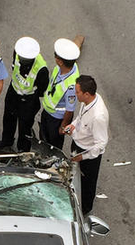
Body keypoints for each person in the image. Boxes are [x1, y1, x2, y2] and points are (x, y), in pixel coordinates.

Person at [0, 37, 49, 152]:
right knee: (8, 118)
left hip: (29, 100)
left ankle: (23, 149)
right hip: (13, 92)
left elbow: (42, 88)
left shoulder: (41, 69)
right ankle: (6, 141)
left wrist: (27, 94)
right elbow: (14, 67)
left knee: (25, 126)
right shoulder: (18, 52)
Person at [64, 75, 109, 215]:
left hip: (88, 154)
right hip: (78, 143)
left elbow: (101, 144)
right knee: (74, 174)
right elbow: (81, 116)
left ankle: (84, 209)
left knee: (87, 182)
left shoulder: (98, 116)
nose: (75, 94)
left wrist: (83, 157)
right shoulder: (87, 101)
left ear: (87, 94)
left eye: (77, 92)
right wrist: (72, 125)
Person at [39, 38, 80, 150]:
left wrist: (63, 126)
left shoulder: (71, 85)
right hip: (48, 112)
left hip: (56, 119)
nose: (55, 58)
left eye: (56, 56)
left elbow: (69, 110)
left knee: (53, 146)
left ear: (60, 61)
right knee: (43, 140)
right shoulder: (61, 68)